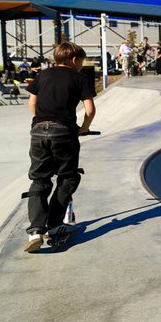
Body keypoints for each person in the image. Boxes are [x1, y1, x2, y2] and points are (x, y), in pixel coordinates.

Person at [22, 42, 96, 253]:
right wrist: (83, 128)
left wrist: (41, 124)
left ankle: (35, 231)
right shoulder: (80, 78)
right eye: (81, 61)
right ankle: (53, 226)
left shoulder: (43, 75)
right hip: (64, 132)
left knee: (40, 178)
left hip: (37, 131)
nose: (82, 65)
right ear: (74, 60)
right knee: (68, 177)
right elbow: (89, 110)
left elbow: (32, 105)